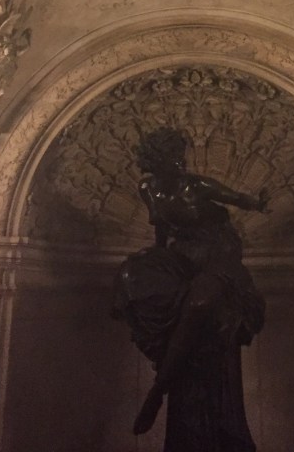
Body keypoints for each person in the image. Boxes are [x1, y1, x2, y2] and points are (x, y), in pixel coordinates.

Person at [112, 126, 267, 451]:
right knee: (131, 272)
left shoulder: (196, 186)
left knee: (199, 303)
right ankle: (160, 344)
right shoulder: (148, 189)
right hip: (183, 253)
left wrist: (258, 204)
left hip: (219, 254)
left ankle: (157, 391)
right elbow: (161, 229)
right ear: (156, 162)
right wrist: (157, 259)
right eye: (172, 159)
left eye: (180, 157)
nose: (180, 164)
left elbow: (239, 199)